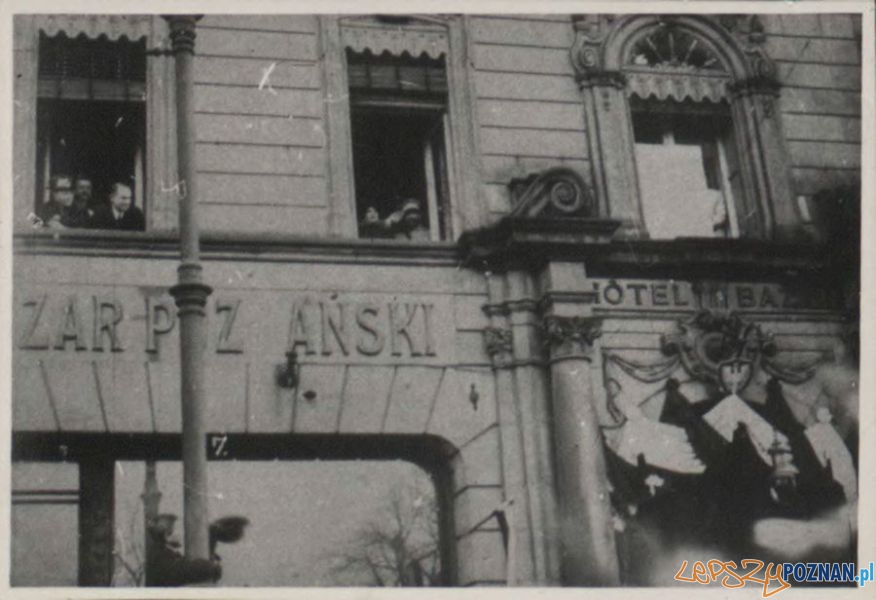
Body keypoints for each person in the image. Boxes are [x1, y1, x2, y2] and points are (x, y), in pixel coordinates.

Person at [145, 514, 222, 587]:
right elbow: (184, 571)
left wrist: (211, 541)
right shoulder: (160, 555)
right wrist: (210, 567)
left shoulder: (163, 553)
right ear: (166, 536)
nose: (181, 533)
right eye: (176, 530)